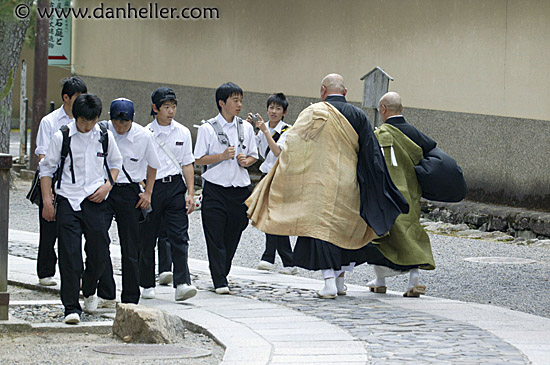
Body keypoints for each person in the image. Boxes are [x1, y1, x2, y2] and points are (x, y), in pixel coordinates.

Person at [246, 74, 408, 299]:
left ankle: (330, 282)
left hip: (319, 185)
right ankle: (340, 282)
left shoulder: (313, 112)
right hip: (349, 185)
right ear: (345, 92)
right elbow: (371, 154)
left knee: (321, 232)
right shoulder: (358, 115)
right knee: (343, 232)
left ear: (323, 90)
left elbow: (293, 145)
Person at [39, 93, 122, 324]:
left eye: (92, 120)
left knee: (99, 249)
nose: (87, 125)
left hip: (95, 200)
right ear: (76, 117)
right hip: (67, 200)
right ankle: (71, 307)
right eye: (83, 121)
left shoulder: (104, 136)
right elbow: (46, 169)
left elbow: (116, 163)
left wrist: (108, 185)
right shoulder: (62, 136)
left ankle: (89, 287)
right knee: (69, 254)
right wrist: (48, 200)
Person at [365, 91, 436, 297]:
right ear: (402, 109)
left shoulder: (379, 134)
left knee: (380, 236)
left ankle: (380, 280)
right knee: (411, 234)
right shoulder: (415, 133)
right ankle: (413, 280)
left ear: (383, 110)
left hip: (387, 194)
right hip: (412, 193)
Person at [92, 98, 161, 307]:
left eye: (125, 123)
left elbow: (153, 165)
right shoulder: (101, 132)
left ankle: (131, 297)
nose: (121, 127)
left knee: (131, 246)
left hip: (129, 191)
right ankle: (106, 291)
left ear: (132, 120)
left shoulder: (143, 136)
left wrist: (148, 192)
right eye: (117, 122)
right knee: (98, 239)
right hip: (104, 188)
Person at [194, 82, 258, 294]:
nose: (239, 104)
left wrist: (246, 161)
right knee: (214, 233)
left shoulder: (246, 128)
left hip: (239, 189)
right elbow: (199, 159)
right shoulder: (208, 128)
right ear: (222, 103)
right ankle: (219, 278)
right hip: (215, 188)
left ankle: (223, 269)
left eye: (240, 100)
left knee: (235, 230)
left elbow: (253, 156)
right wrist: (221, 156)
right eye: (234, 100)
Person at [138, 87, 197, 302]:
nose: (171, 111)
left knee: (179, 236)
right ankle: (146, 283)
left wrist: (190, 192)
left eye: (173, 107)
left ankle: (182, 282)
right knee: (148, 237)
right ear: (155, 108)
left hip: (174, 187)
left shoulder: (182, 131)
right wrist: (144, 189)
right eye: (166, 107)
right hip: (152, 189)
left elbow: (187, 162)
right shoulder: (145, 133)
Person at [34, 76, 87, 287]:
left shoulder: (86, 121)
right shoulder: (50, 122)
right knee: (48, 227)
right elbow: (42, 157)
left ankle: (76, 272)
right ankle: (45, 270)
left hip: (78, 182)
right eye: (78, 97)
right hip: (53, 179)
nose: (82, 101)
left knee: (75, 229)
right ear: (66, 98)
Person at [247, 93, 297, 275]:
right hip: (265, 174)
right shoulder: (263, 127)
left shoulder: (288, 130)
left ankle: (270, 257)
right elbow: (255, 149)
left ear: (284, 112)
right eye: (271, 108)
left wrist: (265, 132)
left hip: (279, 176)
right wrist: (252, 129)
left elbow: (277, 152)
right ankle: (287, 261)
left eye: (278, 108)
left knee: (272, 215)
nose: (273, 112)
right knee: (269, 215)